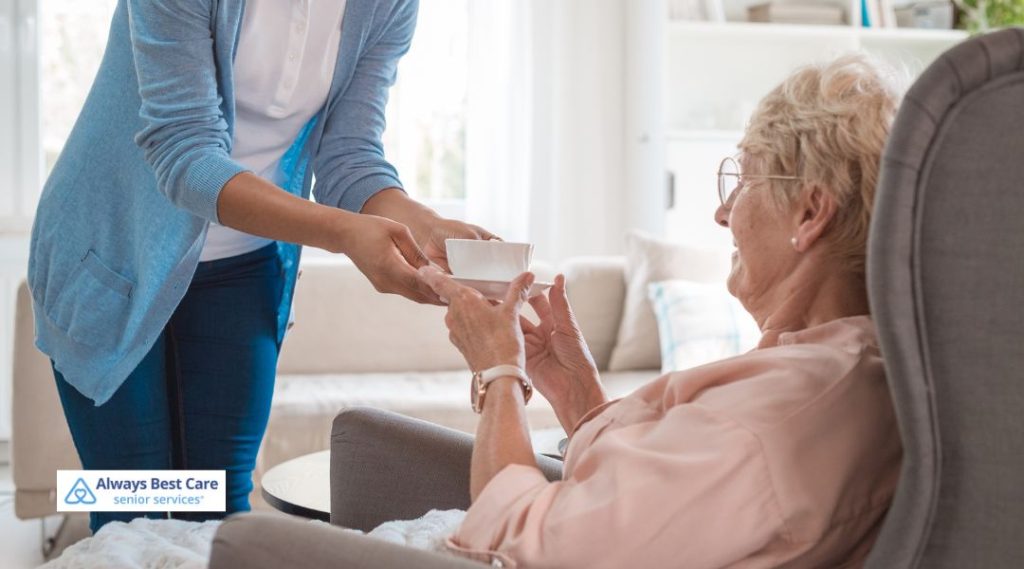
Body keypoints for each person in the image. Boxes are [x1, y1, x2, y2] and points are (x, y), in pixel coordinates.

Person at [417, 54, 904, 567]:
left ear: (810, 212)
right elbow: (658, 506)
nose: (721, 212)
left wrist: (500, 370)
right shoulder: (846, 370)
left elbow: (509, 546)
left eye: (744, 180)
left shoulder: (769, 423)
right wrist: (575, 387)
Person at [27, 0, 491, 533]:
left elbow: (349, 155)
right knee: (131, 509)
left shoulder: (387, 6)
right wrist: (344, 235)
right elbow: (184, 154)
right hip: (109, 255)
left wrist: (426, 224)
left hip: (244, 263)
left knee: (219, 503)